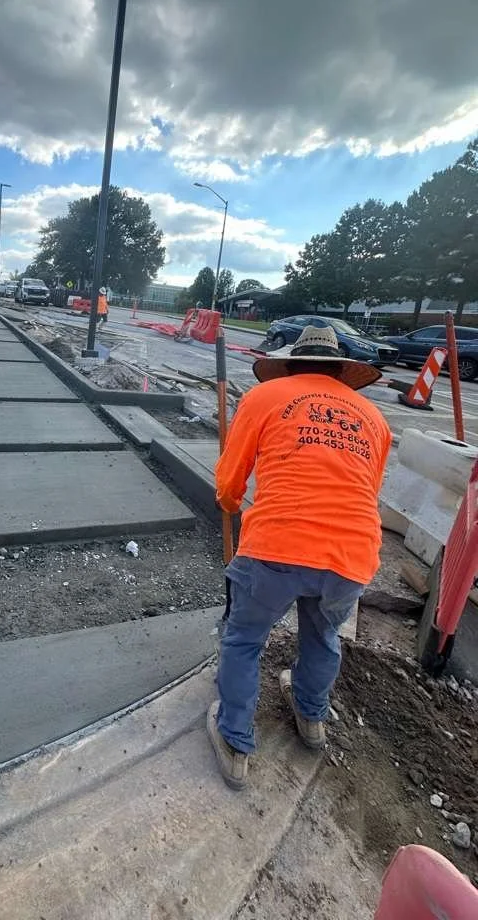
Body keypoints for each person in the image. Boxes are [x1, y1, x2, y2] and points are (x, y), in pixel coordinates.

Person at [207, 325, 392, 790]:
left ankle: (234, 741)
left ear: (290, 363)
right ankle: (311, 718)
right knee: (324, 634)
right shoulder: (374, 418)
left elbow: (231, 479)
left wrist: (229, 503)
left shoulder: (268, 396)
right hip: (352, 552)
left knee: (244, 639)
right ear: (340, 371)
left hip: (278, 545)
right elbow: (366, 490)